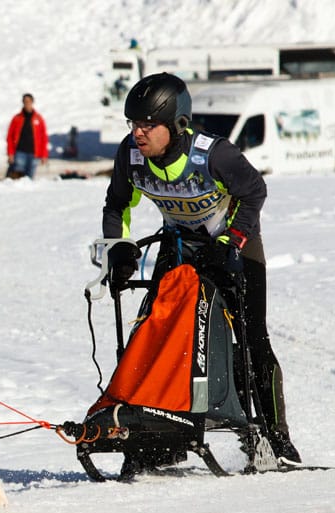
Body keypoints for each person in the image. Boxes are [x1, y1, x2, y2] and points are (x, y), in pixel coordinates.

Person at [101, 72, 301, 465]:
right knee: (155, 331)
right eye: (133, 124)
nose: (138, 133)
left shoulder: (213, 154)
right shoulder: (131, 155)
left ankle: (276, 436)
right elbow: (117, 205)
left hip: (234, 245)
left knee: (251, 338)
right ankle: (160, 436)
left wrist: (232, 241)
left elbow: (253, 191)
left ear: (177, 124)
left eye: (147, 125)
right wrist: (120, 250)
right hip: (179, 245)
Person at [6, 93, 49, 179]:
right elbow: (10, 137)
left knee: (29, 180)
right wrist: (10, 153)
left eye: (29, 101)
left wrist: (44, 155)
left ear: (32, 102)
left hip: (34, 154)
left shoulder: (39, 119)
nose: (27, 103)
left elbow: (44, 138)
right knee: (17, 178)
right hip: (20, 153)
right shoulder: (17, 118)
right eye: (25, 101)